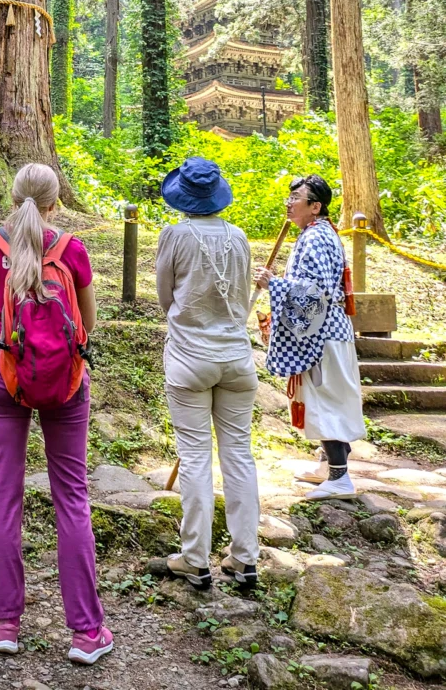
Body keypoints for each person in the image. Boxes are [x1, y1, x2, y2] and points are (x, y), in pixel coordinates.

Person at [0, 163, 113, 667]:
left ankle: (5, 621)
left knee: (3, 490)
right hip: (67, 382)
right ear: (56, 202)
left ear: (13, 198)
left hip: (3, 377)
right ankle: (86, 631)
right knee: (71, 496)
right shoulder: (72, 249)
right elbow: (88, 324)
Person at [155, 156, 260, 592]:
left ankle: (195, 558)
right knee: (238, 454)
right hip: (237, 358)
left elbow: (165, 296)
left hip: (189, 357)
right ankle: (245, 557)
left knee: (196, 455)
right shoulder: (239, 238)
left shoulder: (175, 236)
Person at [255, 174, 365, 500]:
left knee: (325, 401)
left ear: (315, 206)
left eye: (297, 198)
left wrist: (273, 284)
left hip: (324, 337)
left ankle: (340, 477)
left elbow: (315, 293)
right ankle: (326, 466)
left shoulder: (316, 238)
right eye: (289, 197)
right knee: (324, 400)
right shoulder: (314, 234)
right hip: (328, 334)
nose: (289, 203)